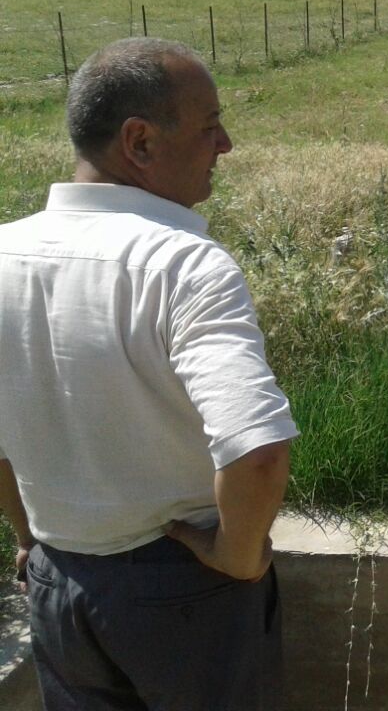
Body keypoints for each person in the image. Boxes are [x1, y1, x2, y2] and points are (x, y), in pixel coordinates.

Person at [0, 38, 299, 710]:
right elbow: (257, 452)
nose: (225, 144)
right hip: (183, 590)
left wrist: (30, 538)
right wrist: (238, 555)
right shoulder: (186, 265)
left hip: (57, 580)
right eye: (209, 125)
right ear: (139, 141)